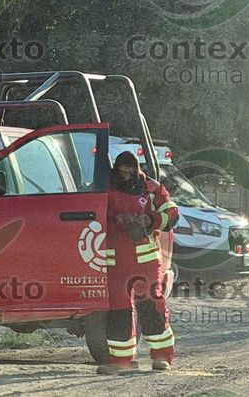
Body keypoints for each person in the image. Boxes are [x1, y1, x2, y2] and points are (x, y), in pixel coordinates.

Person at [98, 151, 180, 375]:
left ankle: (162, 356)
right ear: (116, 169)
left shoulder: (152, 189)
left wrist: (149, 220)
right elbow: (93, 215)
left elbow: (172, 214)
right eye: (122, 171)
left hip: (145, 259)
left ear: (137, 170)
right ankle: (120, 360)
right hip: (115, 260)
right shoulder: (104, 187)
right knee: (118, 309)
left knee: (151, 304)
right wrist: (117, 220)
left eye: (130, 171)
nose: (126, 176)